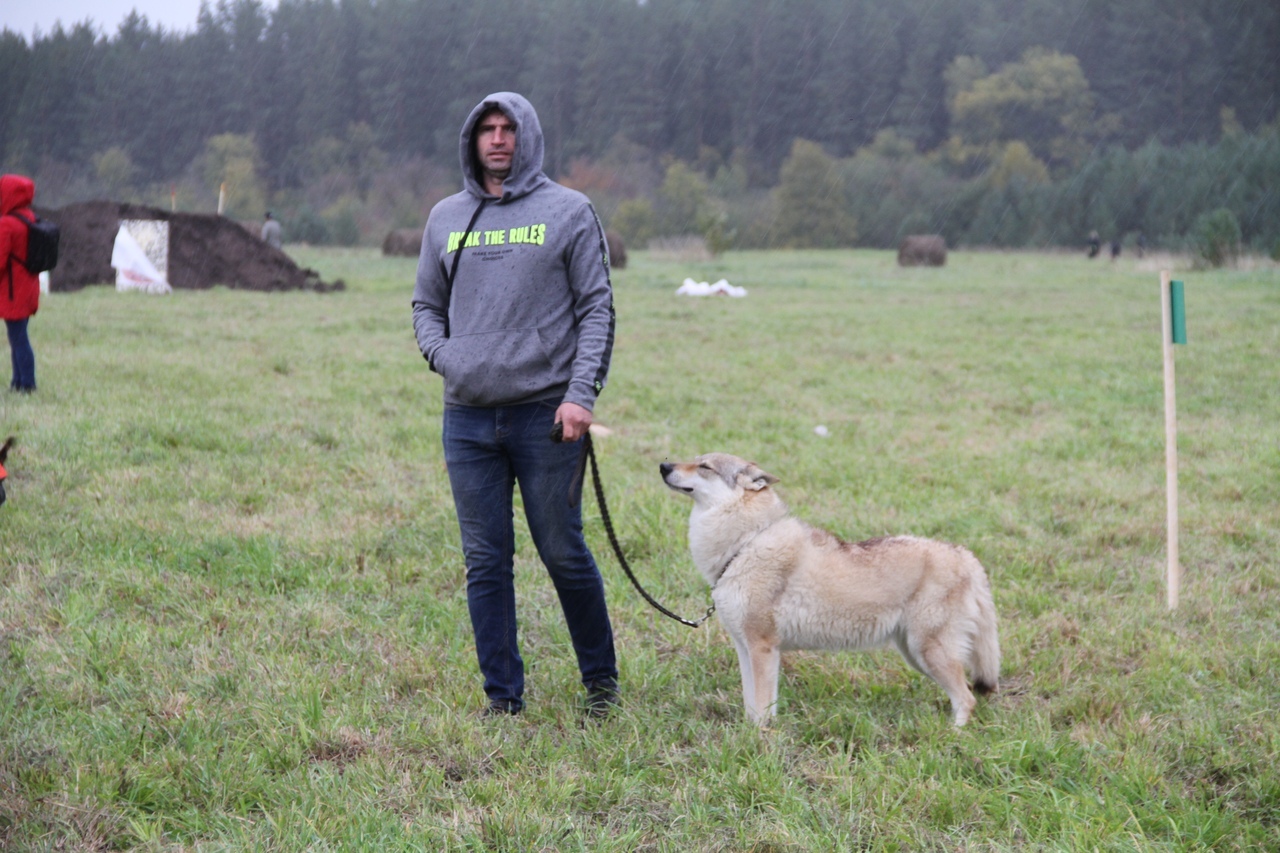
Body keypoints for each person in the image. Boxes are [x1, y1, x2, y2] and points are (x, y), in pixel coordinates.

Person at [412, 92, 619, 719]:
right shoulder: (447, 217)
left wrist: (580, 396)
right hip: (468, 418)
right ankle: (502, 697)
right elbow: (425, 304)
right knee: (485, 561)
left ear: (526, 136)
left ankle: (602, 689)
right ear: (472, 140)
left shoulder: (569, 211)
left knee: (562, 551)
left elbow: (597, 309)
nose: (497, 139)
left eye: (508, 129)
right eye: (487, 130)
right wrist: (445, 357)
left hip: (546, 417)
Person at [1, 174, 40, 393]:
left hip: (12, 291)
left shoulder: (7, 224)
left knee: (18, 338)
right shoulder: (31, 218)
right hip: (29, 288)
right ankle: (18, 381)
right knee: (17, 335)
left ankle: (27, 383)